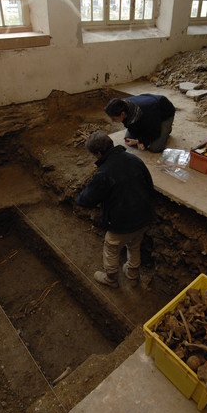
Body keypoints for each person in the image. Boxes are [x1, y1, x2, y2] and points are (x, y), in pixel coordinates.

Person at [77, 130, 155, 288]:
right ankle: (132, 273)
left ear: (98, 153)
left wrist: (81, 197)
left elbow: (87, 200)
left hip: (120, 223)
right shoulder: (135, 160)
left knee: (111, 248)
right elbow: (149, 185)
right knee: (134, 244)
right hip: (143, 217)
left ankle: (110, 278)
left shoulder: (103, 173)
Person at [104, 93, 175, 153]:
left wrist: (141, 141)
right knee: (128, 138)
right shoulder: (123, 106)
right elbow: (131, 126)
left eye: (114, 118)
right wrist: (138, 141)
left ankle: (166, 129)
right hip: (148, 116)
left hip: (164, 114)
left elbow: (155, 130)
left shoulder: (147, 113)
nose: (112, 121)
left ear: (122, 114)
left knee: (155, 148)